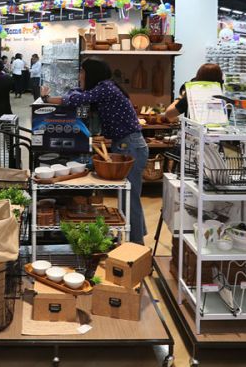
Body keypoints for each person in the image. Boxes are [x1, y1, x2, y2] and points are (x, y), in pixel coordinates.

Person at [41, 59, 149, 245]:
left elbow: (77, 99)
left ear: (92, 73)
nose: (80, 76)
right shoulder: (105, 87)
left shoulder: (105, 88)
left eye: (82, 72)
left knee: (129, 198)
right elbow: (78, 92)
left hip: (130, 145)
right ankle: (135, 240)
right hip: (126, 144)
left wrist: (47, 99)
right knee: (128, 197)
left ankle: (137, 246)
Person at [157, 63, 225, 123]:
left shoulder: (192, 98)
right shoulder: (223, 100)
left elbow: (169, 113)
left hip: (195, 132)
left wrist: (181, 96)